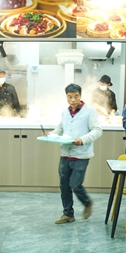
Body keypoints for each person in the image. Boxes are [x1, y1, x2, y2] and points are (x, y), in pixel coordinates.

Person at [48, 83, 102, 224]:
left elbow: (97, 130)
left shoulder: (90, 112)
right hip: (65, 154)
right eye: (70, 97)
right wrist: (50, 134)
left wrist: (82, 140)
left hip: (81, 155)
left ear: (80, 96)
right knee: (64, 186)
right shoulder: (65, 112)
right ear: (66, 97)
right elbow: (61, 128)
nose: (73, 100)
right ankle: (68, 214)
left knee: (75, 184)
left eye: (76, 96)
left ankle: (87, 202)